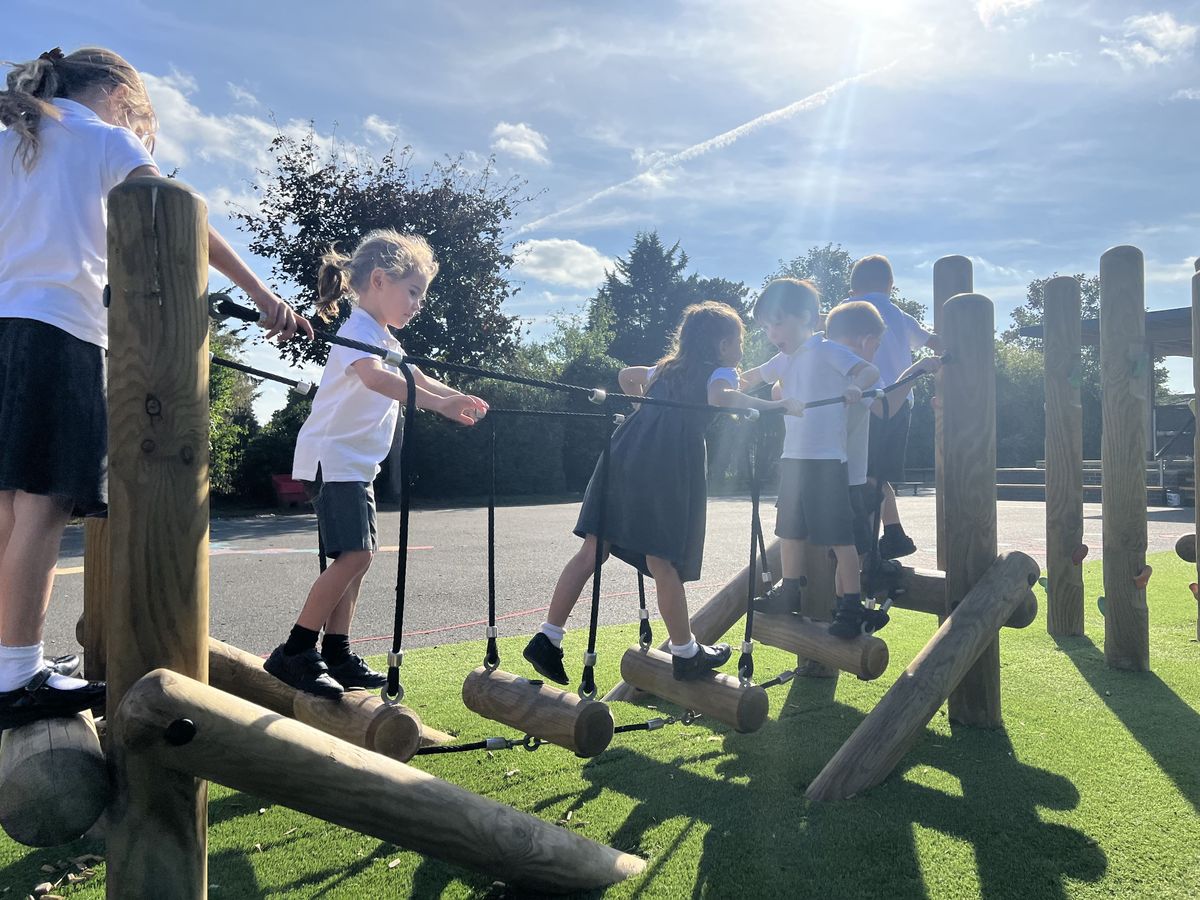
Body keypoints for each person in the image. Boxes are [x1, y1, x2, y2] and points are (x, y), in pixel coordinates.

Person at [0, 47, 310, 730]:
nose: (139, 131)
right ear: (114, 94)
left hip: (4, 329)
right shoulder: (100, 137)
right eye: (139, 117)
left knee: (8, 506)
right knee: (44, 504)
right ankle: (16, 676)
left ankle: (5, 661)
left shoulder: (13, 143)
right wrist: (263, 297)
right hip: (56, 330)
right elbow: (174, 210)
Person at [523, 301, 801, 684]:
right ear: (722, 345)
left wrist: (643, 411)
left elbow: (626, 375)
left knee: (593, 549)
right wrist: (775, 406)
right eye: (738, 341)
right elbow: (722, 397)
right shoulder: (719, 371)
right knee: (662, 559)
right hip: (666, 466)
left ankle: (548, 637)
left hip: (623, 455)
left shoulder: (667, 369)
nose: (741, 348)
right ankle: (685, 652)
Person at [266, 230, 487, 698]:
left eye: (421, 297)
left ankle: (338, 650)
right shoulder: (356, 334)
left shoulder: (381, 337)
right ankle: (296, 649)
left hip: (355, 464)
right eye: (413, 292)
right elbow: (376, 380)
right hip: (335, 458)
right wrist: (437, 406)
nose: (417, 304)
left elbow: (414, 375)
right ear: (380, 280)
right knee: (357, 555)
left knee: (356, 561)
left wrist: (454, 396)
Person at [739, 279, 879, 635]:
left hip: (827, 460)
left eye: (778, 322)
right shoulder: (783, 360)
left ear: (807, 318)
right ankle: (789, 592)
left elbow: (869, 371)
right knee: (789, 530)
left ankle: (850, 604)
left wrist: (854, 386)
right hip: (793, 460)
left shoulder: (827, 349)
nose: (772, 332)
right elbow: (752, 377)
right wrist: (726, 385)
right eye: (767, 326)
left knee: (839, 535)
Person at [823, 300, 941, 635]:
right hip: (845, 479)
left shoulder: (822, 365)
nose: (875, 352)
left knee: (846, 548)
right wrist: (915, 371)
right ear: (864, 340)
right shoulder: (852, 371)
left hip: (824, 474)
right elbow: (885, 408)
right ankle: (845, 613)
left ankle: (843, 610)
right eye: (876, 343)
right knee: (852, 550)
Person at [848, 255, 942, 559]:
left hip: (870, 399)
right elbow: (933, 342)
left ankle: (871, 542)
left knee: (865, 475)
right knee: (880, 474)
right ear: (891, 285)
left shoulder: (855, 314)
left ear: (854, 291)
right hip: (902, 402)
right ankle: (894, 532)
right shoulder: (900, 315)